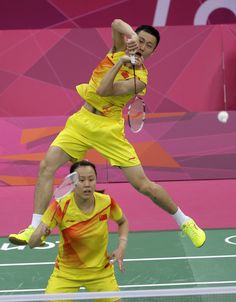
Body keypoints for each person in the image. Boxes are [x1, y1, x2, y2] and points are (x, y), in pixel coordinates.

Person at [9, 18, 206, 248]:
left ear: (153, 52)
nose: (142, 47)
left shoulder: (139, 80)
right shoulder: (117, 49)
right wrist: (129, 40)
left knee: (144, 185)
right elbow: (115, 23)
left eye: (148, 45)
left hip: (108, 130)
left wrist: (122, 61)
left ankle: (186, 222)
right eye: (140, 41)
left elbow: (103, 90)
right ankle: (33, 228)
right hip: (81, 121)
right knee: (46, 166)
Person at [29, 160, 128, 302]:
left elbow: (122, 221)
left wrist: (121, 247)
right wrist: (40, 234)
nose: (87, 184)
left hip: (100, 272)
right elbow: (32, 243)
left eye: (91, 179)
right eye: (81, 180)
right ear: (73, 182)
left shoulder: (106, 202)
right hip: (66, 274)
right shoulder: (60, 206)